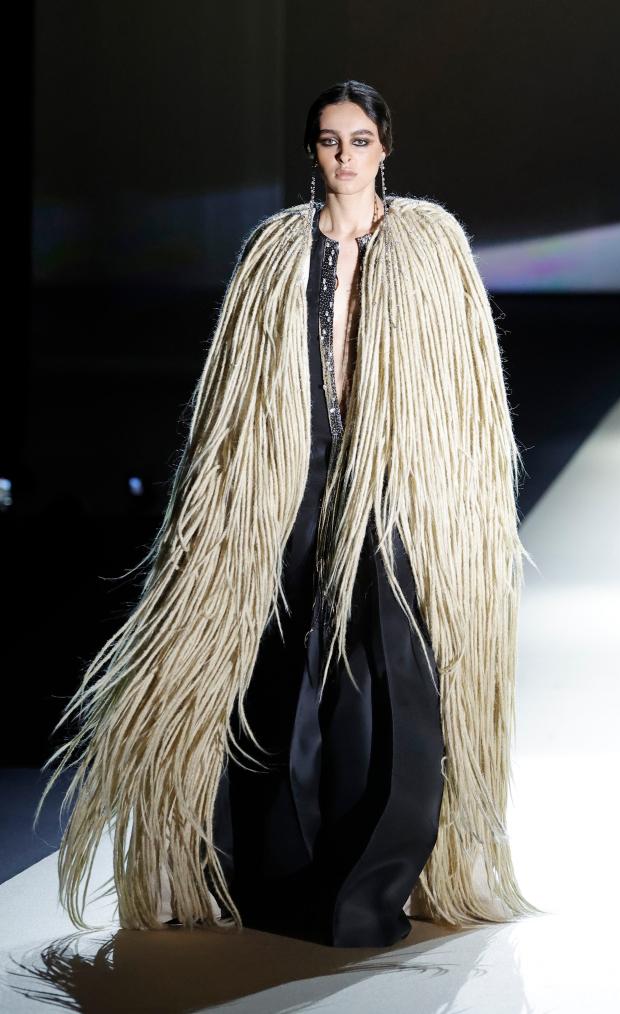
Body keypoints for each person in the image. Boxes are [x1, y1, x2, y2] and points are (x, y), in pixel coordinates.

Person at [35, 80, 542, 947]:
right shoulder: (274, 250)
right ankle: (265, 872)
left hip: (395, 477)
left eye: (360, 139)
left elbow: (467, 387)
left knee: (394, 664)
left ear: (385, 148)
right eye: (330, 140)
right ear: (312, 150)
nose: (345, 155)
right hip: (286, 473)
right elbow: (231, 394)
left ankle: (373, 883)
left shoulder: (430, 243)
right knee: (272, 659)